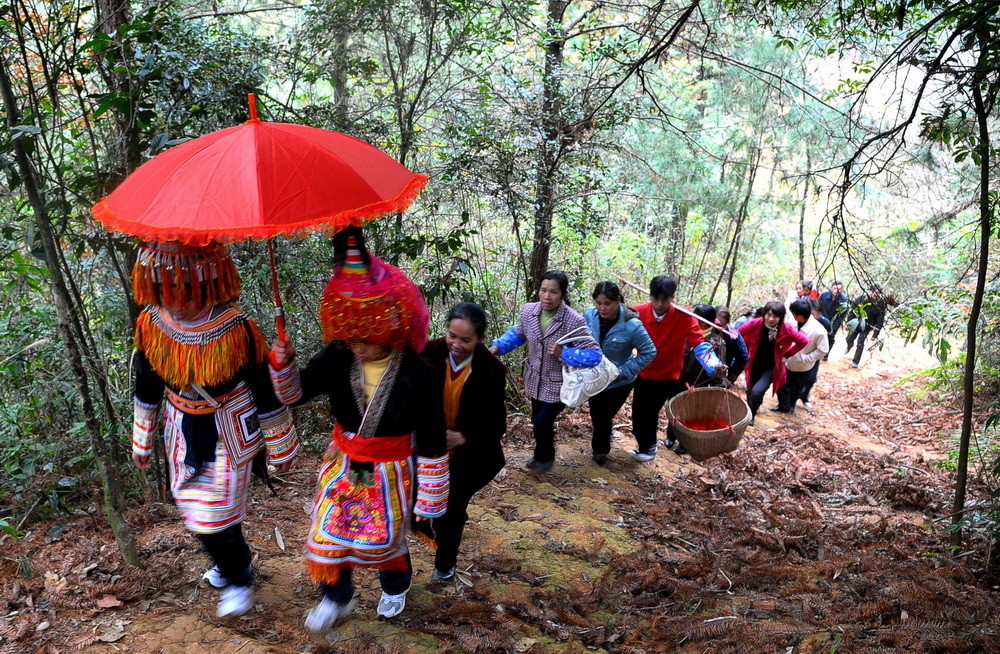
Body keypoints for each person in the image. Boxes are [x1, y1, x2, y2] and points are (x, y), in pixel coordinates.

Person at [268, 228, 448, 631]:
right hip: (347, 460)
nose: (358, 345)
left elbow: (433, 433)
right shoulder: (337, 355)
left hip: (392, 466)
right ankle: (336, 596)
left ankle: (395, 584)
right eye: (351, 335)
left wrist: (430, 498)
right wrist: (282, 363)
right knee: (330, 529)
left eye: (367, 337)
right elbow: (296, 393)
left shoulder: (418, 371)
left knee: (387, 534)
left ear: (389, 324)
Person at [130, 241, 299, 618]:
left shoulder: (236, 327)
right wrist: (143, 437)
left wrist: (280, 444)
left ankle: (239, 577)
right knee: (194, 509)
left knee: (214, 512)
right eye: (167, 289)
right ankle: (231, 564)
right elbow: (147, 382)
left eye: (186, 290)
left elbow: (262, 387)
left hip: (228, 427)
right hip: (182, 426)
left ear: (206, 283)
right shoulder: (153, 323)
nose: (177, 301)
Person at [420, 302, 507, 582]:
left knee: (451, 506)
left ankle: (444, 565)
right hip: (428, 449)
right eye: (452, 336)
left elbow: (497, 424)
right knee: (421, 503)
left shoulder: (491, 370)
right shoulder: (428, 353)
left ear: (480, 339)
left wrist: (463, 436)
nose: (456, 344)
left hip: (472, 454)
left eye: (466, 340)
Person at [489, 271, 602, 473]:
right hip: (535, 379)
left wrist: (564, 352)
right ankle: (543, 453)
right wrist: (497, 347)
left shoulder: (573, 320)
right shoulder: (528, 311)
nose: (547, 297)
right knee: (538, 421)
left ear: (563, 293)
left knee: (542, 421)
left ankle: (544, 457)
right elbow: (518, 333)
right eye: (543, 290)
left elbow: (594, 354)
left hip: (559, 383)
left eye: (553, 292)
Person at [631, 276, 726, 460]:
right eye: (655, 298)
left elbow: (699, 344)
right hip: (642, 371)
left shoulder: (685, 316)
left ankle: (648, 448)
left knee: (650, 412)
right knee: (638, 413)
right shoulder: (638, 311)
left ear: (672, 298)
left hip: (668, 374)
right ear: (650, 296)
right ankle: (644, 446)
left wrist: (715, 366)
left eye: (664, 299)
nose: (659, 304)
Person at [582, 282, 656, 465]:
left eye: (607, 303)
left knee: (603, 415)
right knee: (597, 415)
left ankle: (599, 451)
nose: (603, 308)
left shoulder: (632, 325)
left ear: (618, 301)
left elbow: (649, 352)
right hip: (595, 377)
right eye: (599, 303)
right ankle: (601, 447)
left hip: (619, 382)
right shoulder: (589, 315)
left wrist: (623, 370)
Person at [737, 301, 809, 425]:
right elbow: (737, 333)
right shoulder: (756, 323)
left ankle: (751, 415)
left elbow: (803, 341)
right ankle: (752, 411)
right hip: (753, 363)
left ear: (781, 317)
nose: (771, 319)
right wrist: (743, 350)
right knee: (750, 391)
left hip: (771, 367)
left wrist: (787, 355)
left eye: (775, 316)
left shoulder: (786, 329)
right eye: (768, 315)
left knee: (757, 391)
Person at [776, 299, 830, 413]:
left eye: (794, 314)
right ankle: (783, 406)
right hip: (787, 361)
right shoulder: (792, 322)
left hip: (803, 366)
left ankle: (791, 405)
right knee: (783, 384)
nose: (792, 316)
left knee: (797, 387)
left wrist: (806, 358)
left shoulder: (819, 330)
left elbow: (823, 350)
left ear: (799, 316)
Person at [844, 284, 888, 369]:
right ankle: (849, 346)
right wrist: (849, 323)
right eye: (873, 292)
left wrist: (875, 333)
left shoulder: (880, 304)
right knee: (849, 339)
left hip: (867, 327)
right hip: (856, 323)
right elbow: (852, 312)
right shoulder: (860, 299)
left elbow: (880, 320)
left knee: (860, 343)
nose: (875, 294)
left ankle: (855, 362)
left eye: (877, 293)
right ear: (869, 291)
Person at [818, 281, 849, 358]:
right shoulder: (824, 295)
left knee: (830, 338)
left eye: (839, 289)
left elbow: (841, 317)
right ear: (831, 288)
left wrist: (834, 328)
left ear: (842, 290)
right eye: (835, 288)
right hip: (822, 320)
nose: (836, 291)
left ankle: (825, 354)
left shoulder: (844, 300)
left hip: (833, 322)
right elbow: (818, 308)